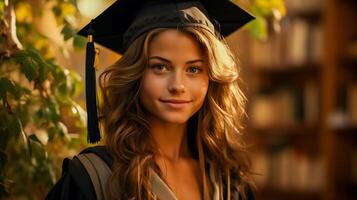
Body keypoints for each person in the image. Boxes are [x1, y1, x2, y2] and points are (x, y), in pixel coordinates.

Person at [46, 0, 255, 199]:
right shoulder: (94, 177)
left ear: (211, 78)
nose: (177, 86)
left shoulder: (229, 182)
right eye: (160, 67)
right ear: (135, 74)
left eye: (193, 69)